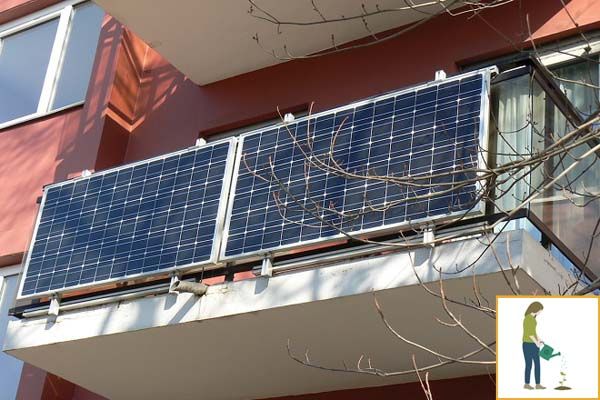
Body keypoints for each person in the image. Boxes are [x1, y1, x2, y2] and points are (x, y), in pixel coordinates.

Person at [522, 301, 545, 390]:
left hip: (534, 344)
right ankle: (527, 384)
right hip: (528, 344)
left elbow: (534, 332)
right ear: (536, 309)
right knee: (529, 364)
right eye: (540, 310)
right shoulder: (528, 319)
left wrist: (539, 340)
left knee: (537, 364)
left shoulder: (533, 319)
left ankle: (538, 384)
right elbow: (529, 333)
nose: (540, 312)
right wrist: (536, 343)